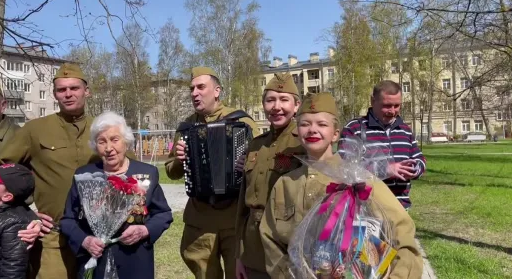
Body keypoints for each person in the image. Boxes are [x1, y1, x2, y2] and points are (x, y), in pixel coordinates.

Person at [259, 92, 424, 279]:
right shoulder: (285, 184)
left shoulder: (358, 179)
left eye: (322, 124)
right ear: (298, 132)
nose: (312, 130)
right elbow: (270, 239)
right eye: (305, 124)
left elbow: (403, 234)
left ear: (335, 134)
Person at [0, 63, 101, 279]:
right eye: (61, 90)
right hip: (53, 237)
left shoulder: (103, 127)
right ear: (54, 94)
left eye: (74, 88)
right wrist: (25, 211)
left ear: (87, 91)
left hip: (98, 236)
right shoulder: (35, 129)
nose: (68, 94)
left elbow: (133, 172)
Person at [165, 66, 259, 279]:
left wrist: (247, 163)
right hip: (200, 221)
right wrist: (180, 161)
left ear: (217, 91)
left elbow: (258, 166)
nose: (194, 93)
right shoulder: (186, 127)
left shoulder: (241, 121)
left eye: (200, 87)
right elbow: (171, 171)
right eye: (192, 89)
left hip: (234, 219)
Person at [60, 111, 172, 278]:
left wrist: (144, 230)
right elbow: (68, 220)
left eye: (114, 140)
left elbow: (163, 214)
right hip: (95, 261)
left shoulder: (147, 172)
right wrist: (85, 240)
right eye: (102, 142)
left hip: (135, 262)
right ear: (95, 146)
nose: (109, 148)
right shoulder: (84, 176)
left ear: (125, 142)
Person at [235, 72, 305, 279]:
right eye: (270, 100)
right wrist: (239, 255)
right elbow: (242, 206)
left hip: (287, 243)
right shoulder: (256, 145)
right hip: (253, 247)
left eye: (284, 100)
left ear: (297, 105)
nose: (276, 107)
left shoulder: (303, 142)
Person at [337, 80, 426, 210]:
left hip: (400, 208)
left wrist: (415, 169)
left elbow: (420, 158)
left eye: (397, 106)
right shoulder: (355, 128)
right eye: (387, 105)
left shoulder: (405, 130)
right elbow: (345, 167)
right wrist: (385, 170)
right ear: (373, 101)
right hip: (366, 210)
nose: (392, 111)